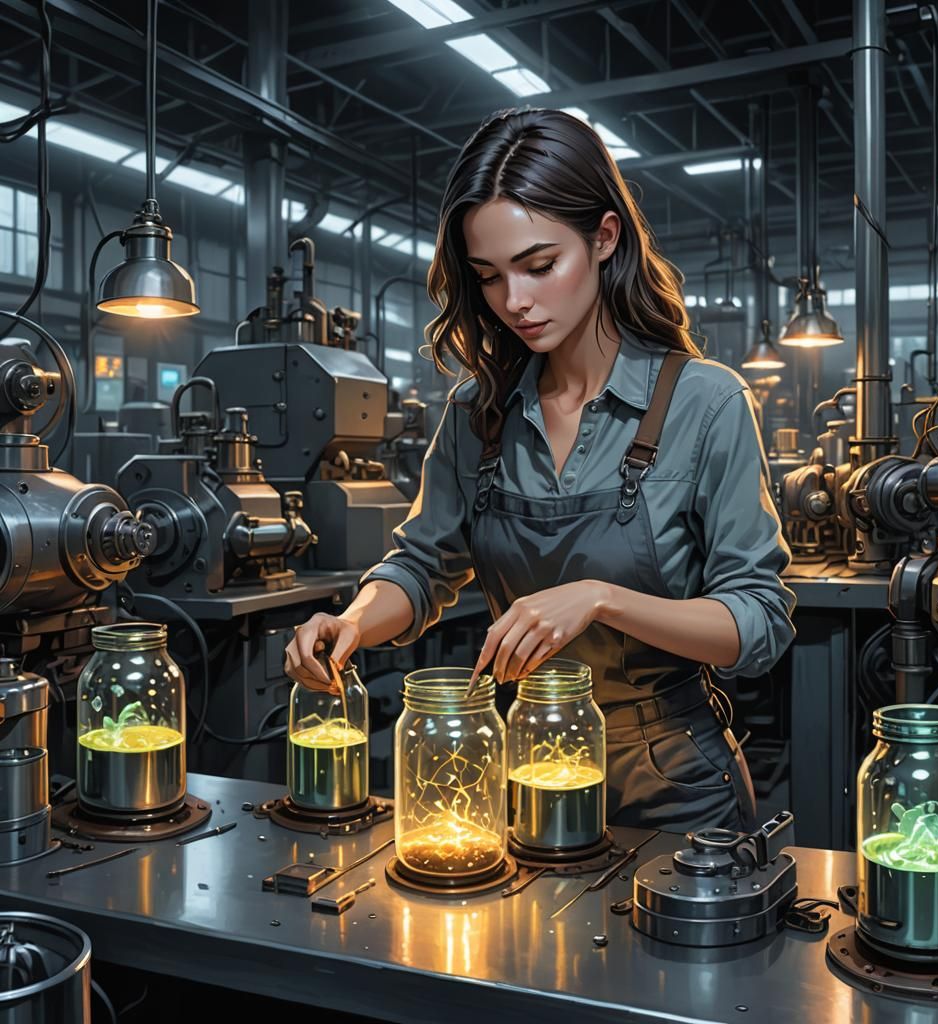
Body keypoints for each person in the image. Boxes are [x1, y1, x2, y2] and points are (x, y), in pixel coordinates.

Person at [285, 108, 796, 834]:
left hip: (675, 783)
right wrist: (352, 624)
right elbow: (421, 566)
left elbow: (758, 620)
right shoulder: (478, 413)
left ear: (605, 238)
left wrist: (601, 598)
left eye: (539, 265)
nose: (514, 302)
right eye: (489, 277)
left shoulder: (705, 403)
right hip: (527, 761)